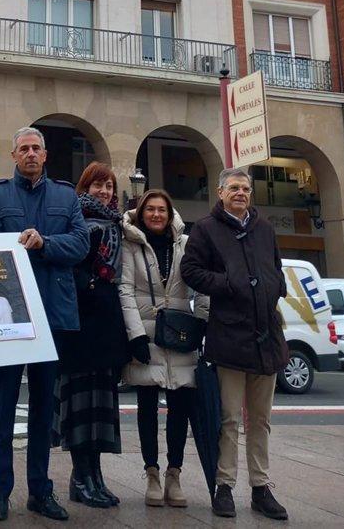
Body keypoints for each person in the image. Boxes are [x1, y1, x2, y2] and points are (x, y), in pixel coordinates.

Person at [0, 127, 89, 523]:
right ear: (13, 155)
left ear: (45, 155)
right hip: (9, 316)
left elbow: (80, 244)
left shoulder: (65, 195)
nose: (30, 154)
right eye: (23, 148)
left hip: (51, 314)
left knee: (44, 410)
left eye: (36, 149)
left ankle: (40, 491)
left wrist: (44, 242)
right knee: (4, 407)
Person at [181, 167, 290, 521]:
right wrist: (228, 283)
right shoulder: (205, 229)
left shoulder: (265, 228)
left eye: (245, 188)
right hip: (229, 336)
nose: (240, 193)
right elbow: (191, 271)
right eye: (233, 188)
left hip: (266, 337)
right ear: (220, 192)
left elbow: (275, 268)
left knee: (261, 419)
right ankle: (224, 486)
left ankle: (261, 487)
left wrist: (275, 287)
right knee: (229, 419)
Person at [119, 189, 208, 509]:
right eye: (150, 209)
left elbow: (201, 286)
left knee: (180, 408)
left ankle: (174, 473)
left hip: (182, 335)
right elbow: (125, 291)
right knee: (146, 407)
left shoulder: (186, 244)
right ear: (142, 213)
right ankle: (152, 473)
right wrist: (136, 335)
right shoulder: (131, 245)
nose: (156, 214)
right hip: (147, 335)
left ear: (170, 214)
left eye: (162, 210)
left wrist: (202, 324)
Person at [52, 163, 128, 510]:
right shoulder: (76, 220)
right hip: (80, 321)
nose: (105, 191)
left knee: (101, 406)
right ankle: (80, 475)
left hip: (107, 323)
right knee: (81, 405)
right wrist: (92, 284)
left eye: (109, 186)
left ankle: (95, 475)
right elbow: (69, 264)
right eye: (98, 185)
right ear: (86, 187)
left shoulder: (117, 226)